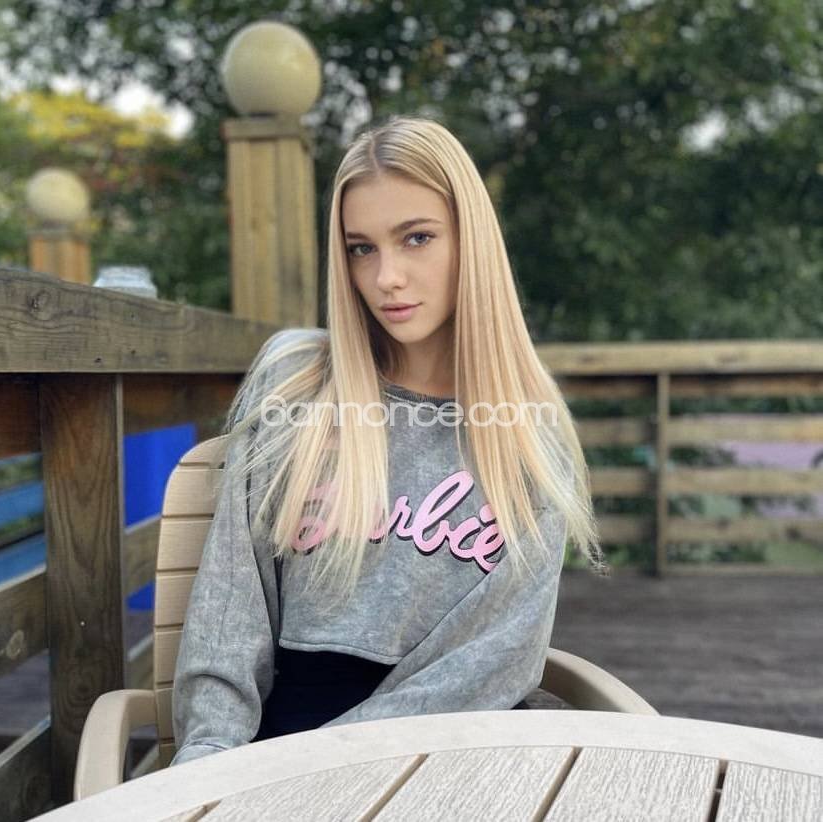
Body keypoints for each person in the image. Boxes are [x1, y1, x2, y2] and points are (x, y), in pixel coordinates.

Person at [170, 114, 606, 767]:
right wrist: (208, 761)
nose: (386, 278)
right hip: (273, 758)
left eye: (417, 238)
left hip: (442, 762)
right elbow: (231, 605)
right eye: (361, 248)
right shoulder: (296, 382)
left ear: (471, 241)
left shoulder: (529, 433)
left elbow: (493, 660)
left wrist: (331, 770)